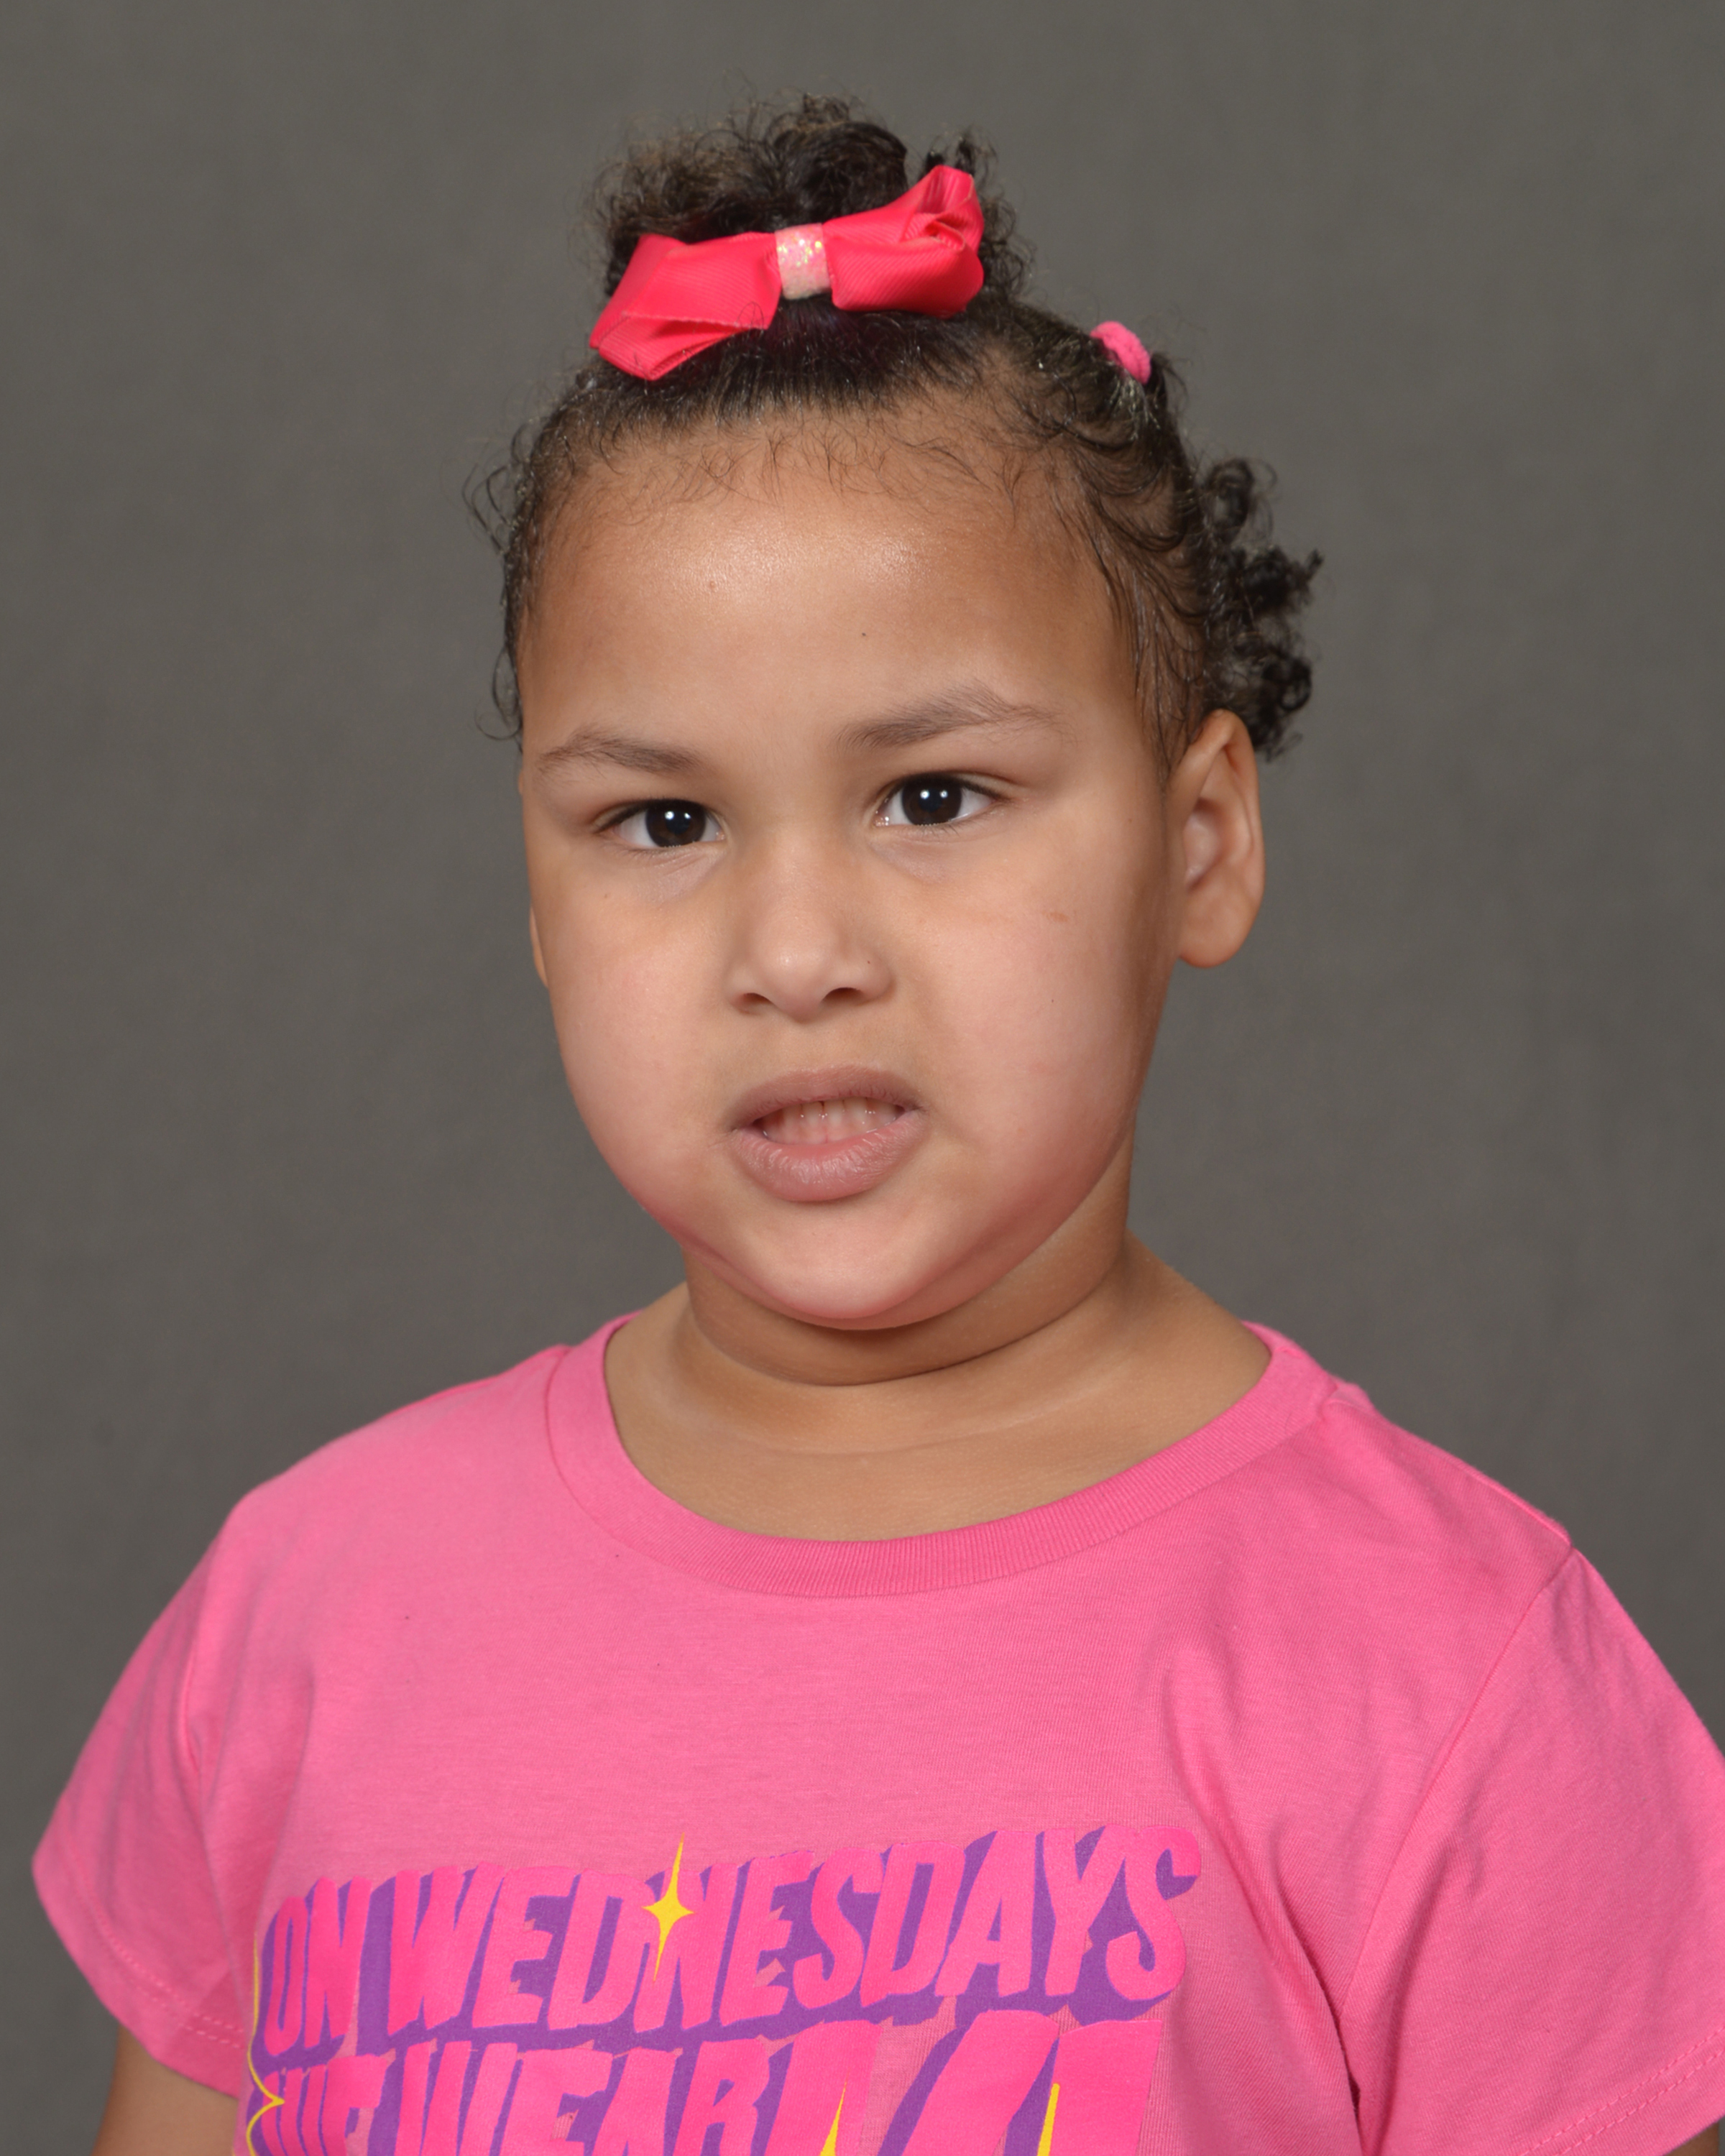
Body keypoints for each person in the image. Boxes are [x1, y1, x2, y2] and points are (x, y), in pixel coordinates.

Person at [36, 95, 1725, 2156]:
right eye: (663, 821)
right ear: (537, 902)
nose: (795, 952)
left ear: (1201, 840)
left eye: (933, 798)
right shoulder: (301, 1618)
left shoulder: (1456, 1681)